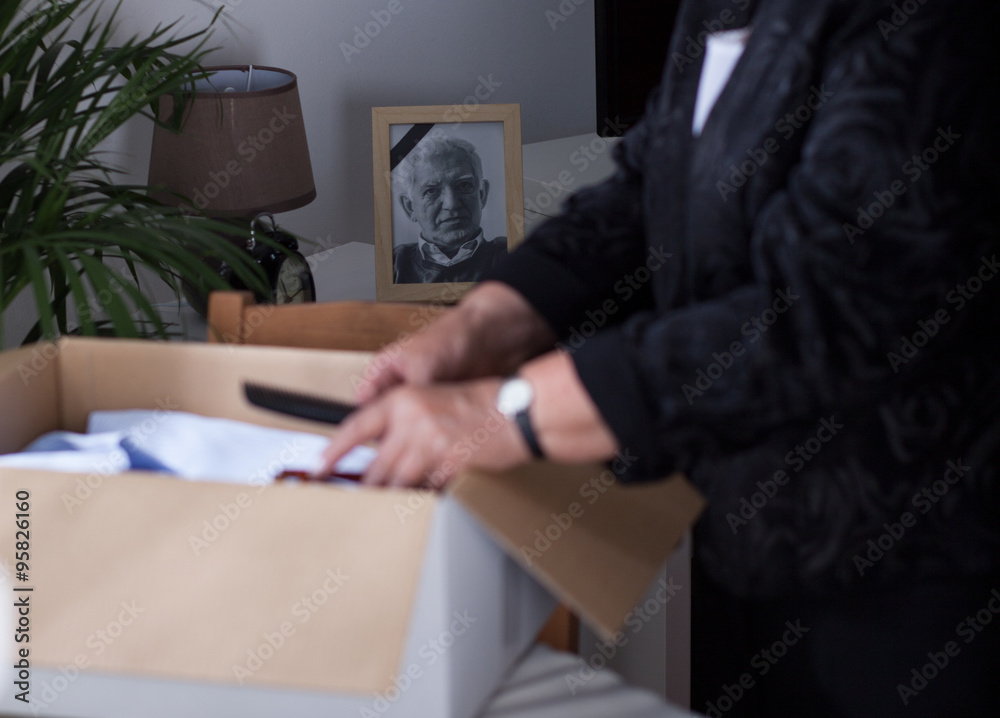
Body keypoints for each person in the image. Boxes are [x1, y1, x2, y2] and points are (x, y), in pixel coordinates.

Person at [318, 0, 999, 715]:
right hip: (739, 540)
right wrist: (482, 323)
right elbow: (646, 189)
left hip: (910, 569)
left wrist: (506, 411)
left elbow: (830, 310)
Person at [392, 134, 508, 284]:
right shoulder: (394, 263)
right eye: (431, 191)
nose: (451, 204)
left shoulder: (512, 255)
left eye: (464, 185)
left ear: (482, 194)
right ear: (410, 207)